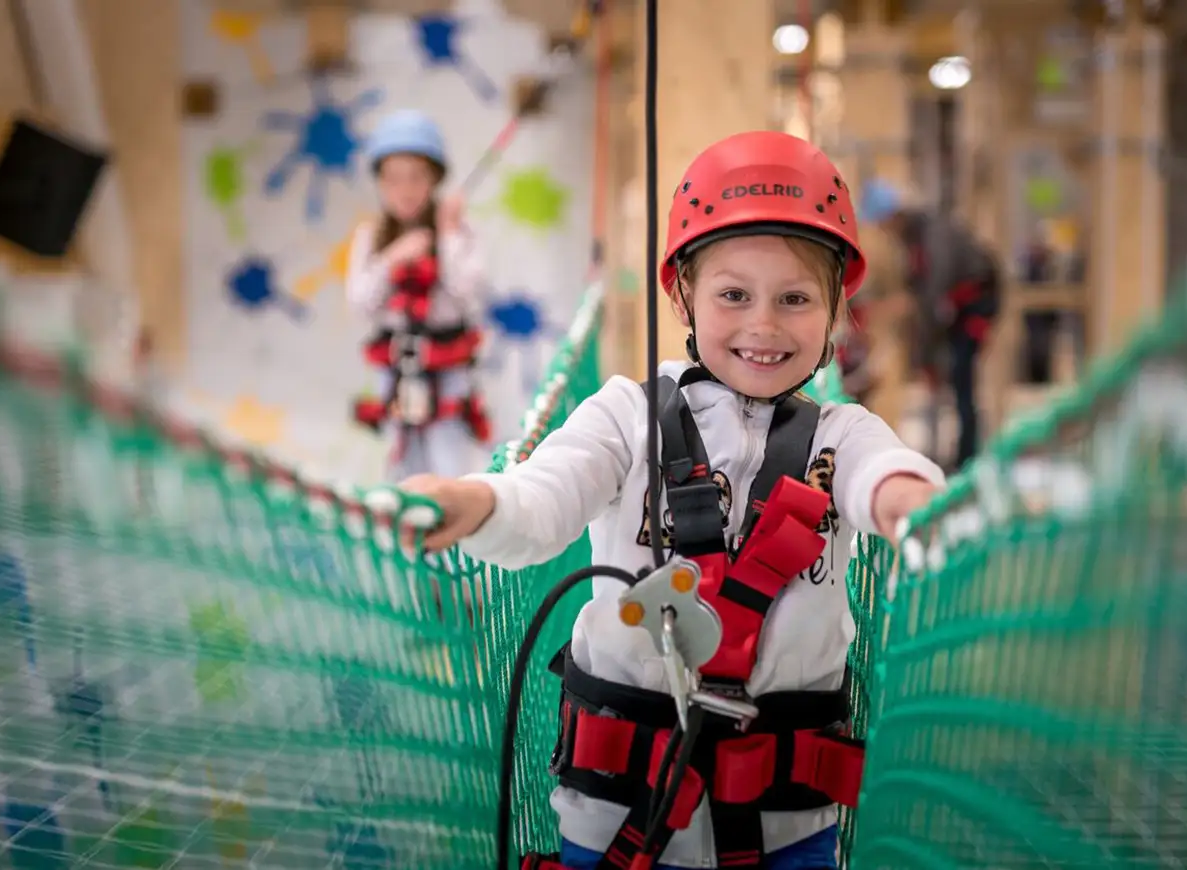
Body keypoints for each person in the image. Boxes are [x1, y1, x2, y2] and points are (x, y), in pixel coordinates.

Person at [402, 132, 945, 870]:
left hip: (788, 825)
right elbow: (543, 499)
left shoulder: (840, 435)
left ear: (835, 308)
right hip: (620, 816)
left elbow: (883, 475)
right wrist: (474, 502)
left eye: (795, 299)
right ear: (682, 293)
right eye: (733, 295)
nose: (763, 325)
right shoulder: (627, 419)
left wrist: (915, 508)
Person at [346, 109, 492, 481]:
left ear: (434, 180)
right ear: (379, 183)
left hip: (448, 372)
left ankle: (453, 537)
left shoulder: (458, 232)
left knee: (451, 464)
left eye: (416, 177)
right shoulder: (372, 236)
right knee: (400, 468)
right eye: (393, 179)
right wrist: (393, 257)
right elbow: (360, 302)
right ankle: (407, 536)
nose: (405, 189)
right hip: (396, 373)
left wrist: (446, 234)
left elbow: (466, 292)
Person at [856, 179, 1001, 471]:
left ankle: (968, 458)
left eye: (883, 225)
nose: (883, 232)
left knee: (961, 379)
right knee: (950, 379)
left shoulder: (932, 235)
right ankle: (960, 453)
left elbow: (933, 292)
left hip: (973, 309)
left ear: (893, 217)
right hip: (956, 310)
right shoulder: (915, 238)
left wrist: (926, 351)